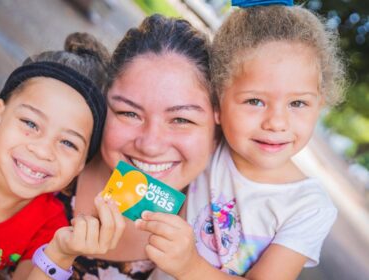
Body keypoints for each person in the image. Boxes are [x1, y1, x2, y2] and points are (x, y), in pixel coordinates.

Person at [0, 14, 219, 279]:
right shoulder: (66, 125)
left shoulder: (218, 229)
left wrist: (191, 269)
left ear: (218, 127)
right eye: (129, 113)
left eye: (181, 119)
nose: (150, 144)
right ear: (103, 103)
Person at [136, 1, 347, 280]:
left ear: (319, 105)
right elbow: (144, 184)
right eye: (255, 101)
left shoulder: (309, 207)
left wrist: (189, 266)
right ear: (218, 102)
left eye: (297, 103)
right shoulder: (207, 145)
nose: (277, 122)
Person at [0, 33, 125, 280]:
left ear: (80, 166)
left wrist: (62, 254)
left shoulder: (50, 228)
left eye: (68, 142)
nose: (42, 150)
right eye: (31, 123)